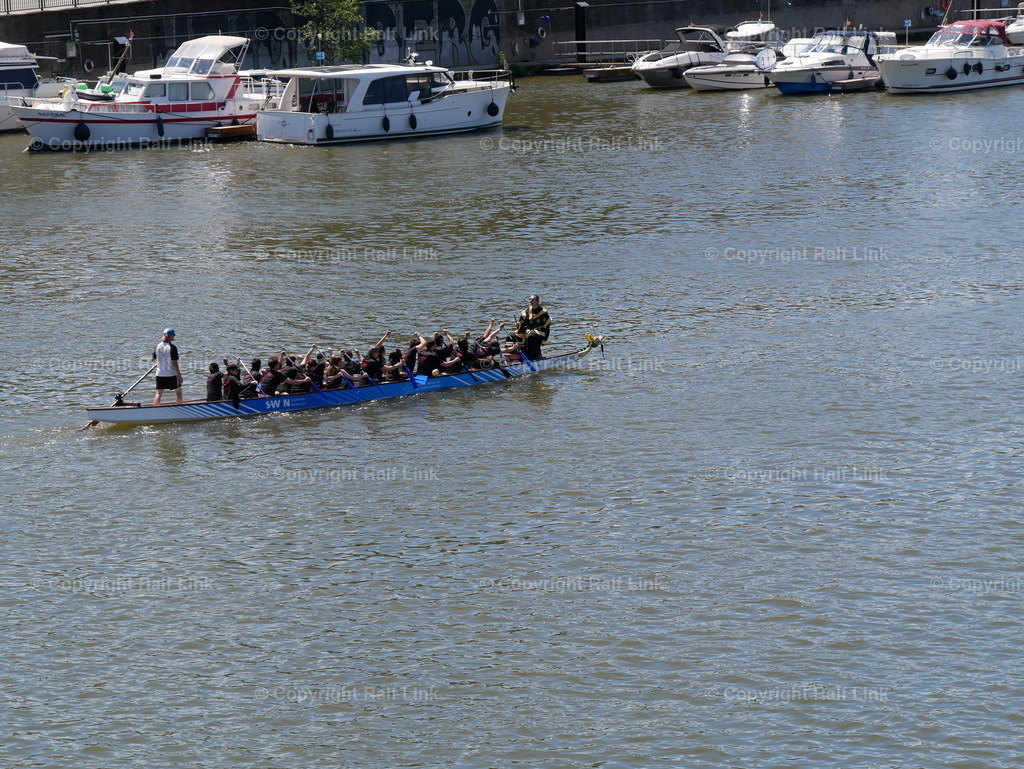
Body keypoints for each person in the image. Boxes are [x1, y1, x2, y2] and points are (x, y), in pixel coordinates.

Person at [152, 328, 183, 405]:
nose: (174, 337)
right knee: (178, 391)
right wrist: (179, 375)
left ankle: (156, 409)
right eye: (173, 335)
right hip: (171, 373)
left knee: (158, 393)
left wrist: (160, 362)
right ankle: (179, 407)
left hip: (159, 373)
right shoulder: (172, 348)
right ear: (170, 336)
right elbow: (174, 362)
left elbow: (153, 359)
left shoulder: (158, 346)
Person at [519, 294, 551, 360]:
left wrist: (545, 338)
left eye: (532, 300)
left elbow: (547, 326)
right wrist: (518, 324)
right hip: (528, 330)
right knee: (513, 335)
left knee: (529, 337)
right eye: (530, 299)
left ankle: (532, 356)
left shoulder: (543, 312)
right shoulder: (527, 310)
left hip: (539, 332)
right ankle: (517, 356)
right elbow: (523, 321)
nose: (530, 301)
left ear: (537, 301)